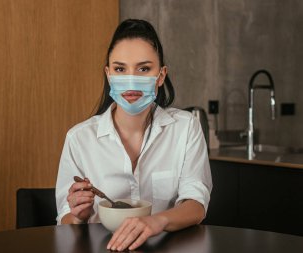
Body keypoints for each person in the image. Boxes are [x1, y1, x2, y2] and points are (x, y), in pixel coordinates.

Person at [55, 19, 212, 251]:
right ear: (109, 75)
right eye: (120, 69)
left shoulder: (186, 128)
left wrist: (156, 221)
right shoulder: (79, 139)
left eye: (144, 69)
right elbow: (66, 220)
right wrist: (80, 215)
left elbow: (196, 204)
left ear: (160, 75)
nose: (130, 80)